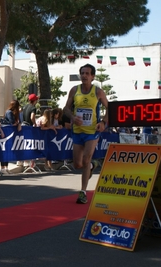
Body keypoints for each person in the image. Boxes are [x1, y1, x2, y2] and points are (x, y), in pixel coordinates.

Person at [63, 63, 109, 204]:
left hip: (92, 132)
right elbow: (66, 108)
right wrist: (72, 118)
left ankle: (83, 192)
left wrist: (103, 123)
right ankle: (90, 167)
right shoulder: (74, 90)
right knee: (78, 164)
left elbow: (110, 108)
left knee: (86, 159)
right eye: (82, 73)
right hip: (77, 131)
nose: (84, 76)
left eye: (87, 73)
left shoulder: (98, 92)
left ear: (93, 76)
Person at [1, 100, 22, 172]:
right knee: (5, 150)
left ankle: (6, 167)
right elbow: (12, 122)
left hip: (10, 133)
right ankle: (3, 167)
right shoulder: (9, 112)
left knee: (7, 150)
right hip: (7, 133)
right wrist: (17, 124)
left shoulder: (12, 113)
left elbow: (17, 121)